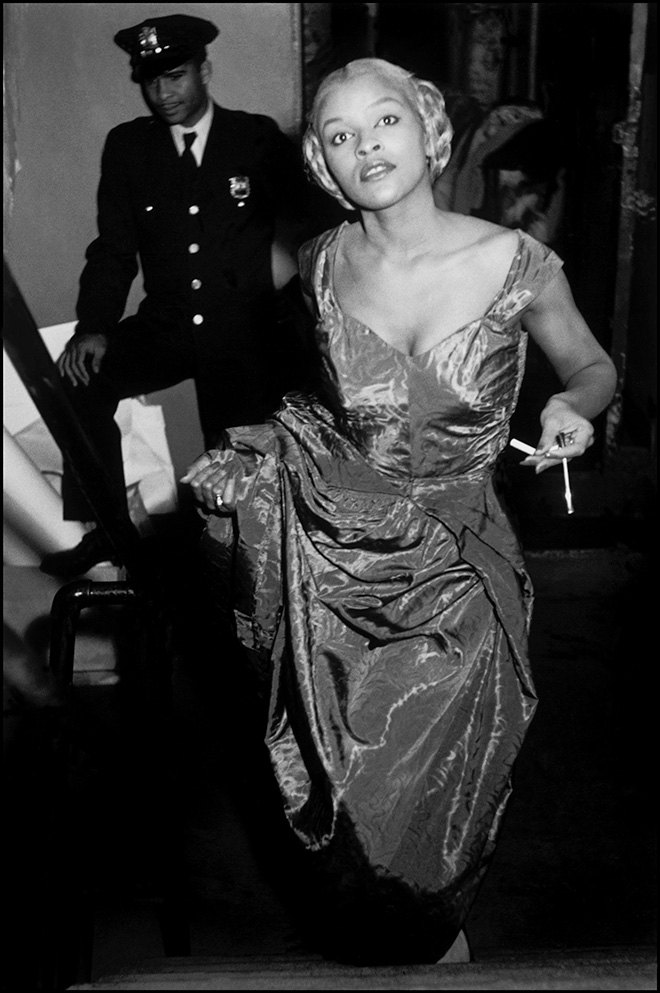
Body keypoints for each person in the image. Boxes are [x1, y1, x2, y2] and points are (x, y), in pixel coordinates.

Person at [182, 59, 617, 965]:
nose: (365, 146)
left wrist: (575, 405)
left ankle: (429, 942)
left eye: (384, 122)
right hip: (341, 570)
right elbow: (328, 414)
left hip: (460, 572)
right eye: (339, 136)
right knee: (351, 807)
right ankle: (398, 952)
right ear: (322, 164)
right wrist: (255, 459)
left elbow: (594, 365)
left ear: (430, 131)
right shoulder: (323, 264)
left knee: (437, 812)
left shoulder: (514, 261)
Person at [41, 14, 311, 578]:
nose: (163, 93)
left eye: (176, 76)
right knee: (76, 383)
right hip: (166, 326)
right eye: (150, 81)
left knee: (238, 456)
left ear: (204, 70)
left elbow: (309, 228)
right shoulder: (128, 148)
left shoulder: (256, 138)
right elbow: (113, 250)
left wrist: (294, 316)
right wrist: (94, 326)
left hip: (242, 334)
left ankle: (251, 563)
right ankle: (108, 531)